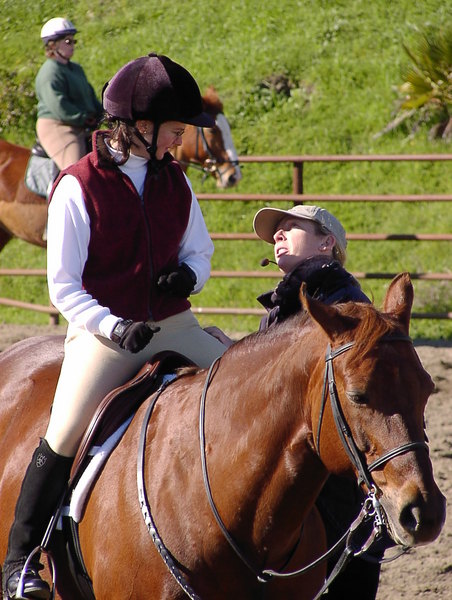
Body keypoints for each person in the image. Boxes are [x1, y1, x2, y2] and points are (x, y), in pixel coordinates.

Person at [2, 53, 228, 600]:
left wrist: (189, 275)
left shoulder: (175, 180)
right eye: (174, 130)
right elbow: (63, 288)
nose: (180, 140)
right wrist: (113, 325)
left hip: (173, 325)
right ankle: (20, 562)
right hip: (105, 336)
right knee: (63, 431)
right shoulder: (77, 186)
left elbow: (201, 250)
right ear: (141, 126)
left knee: (247, 393)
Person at [207, 204, 383, 599]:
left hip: (328, 482)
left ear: (326, 243)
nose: (278, 234)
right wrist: (236, 353)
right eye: (277, 231)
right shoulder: (295, 300)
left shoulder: (341, 305)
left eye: (291, 226)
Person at [35, 17, 103, 170]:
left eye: (73, 41)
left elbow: (90, 96)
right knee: (77, 168)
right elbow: (59, 105)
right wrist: (84, 118)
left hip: (81, 124)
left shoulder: (76, 69)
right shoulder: (50, 72)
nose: (72, 45)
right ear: (52, 45)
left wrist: (105, 114)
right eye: (68, 41)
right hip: (59, 126)